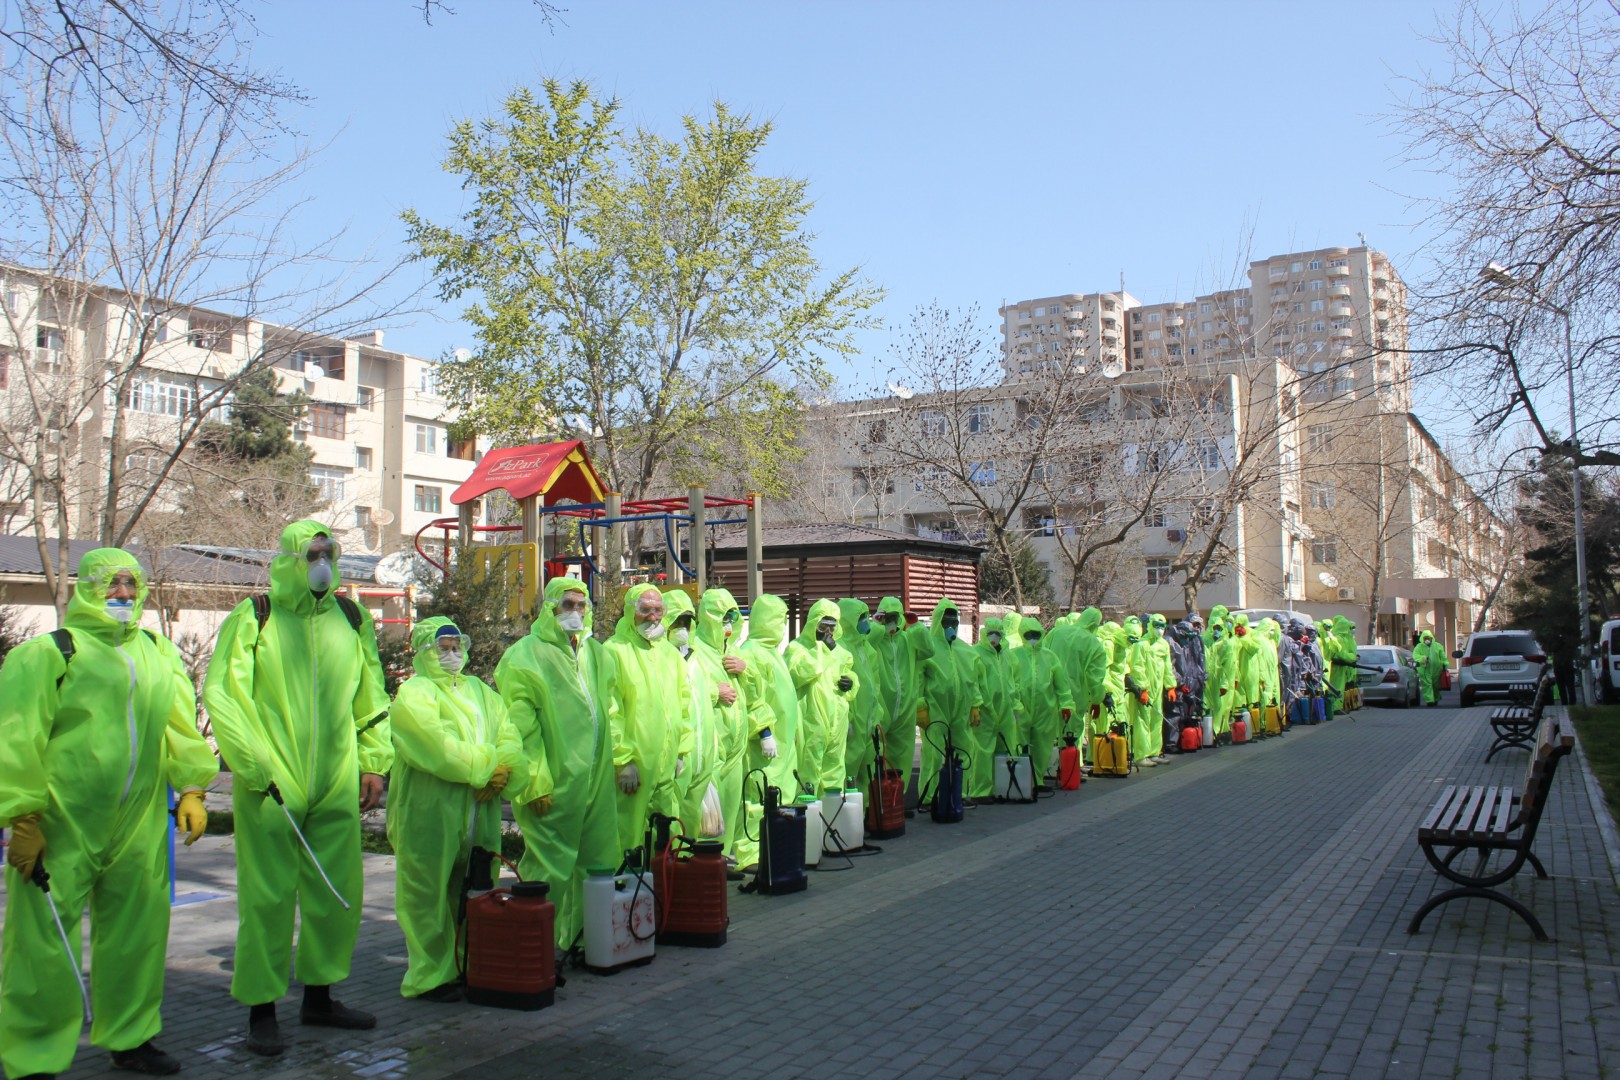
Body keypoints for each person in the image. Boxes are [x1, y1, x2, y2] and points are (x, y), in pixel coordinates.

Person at [0, 549, 216, 1079]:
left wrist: (191, 787)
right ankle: (32, 1057)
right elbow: (15, 737)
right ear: (87, 589)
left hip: (139, 823)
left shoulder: (156, 651)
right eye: (110, 585)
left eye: (130, 584)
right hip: (60, 823)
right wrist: (22, 815)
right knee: (42, 943)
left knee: (137, 934)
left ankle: (132, 1037)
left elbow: (179, 725)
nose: (122, 594)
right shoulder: (51, 654)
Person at [204, 521, 391, 1056]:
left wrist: (374, 764)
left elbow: (370, 694)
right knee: (267, 898)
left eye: (328, 552)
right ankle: (262, 1011)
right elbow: (225, 693)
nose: (322, 562)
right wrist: (256, 765)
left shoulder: (351, 618)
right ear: (289, 558)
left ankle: (320, 996)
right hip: (272, 784)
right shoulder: (255, 617)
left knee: (337, 895)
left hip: (337, 780)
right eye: (312, 553)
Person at [388, 618, 525, 1003]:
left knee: (474, 889)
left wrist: (505, 768)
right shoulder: (414, 694)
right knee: (426, 893)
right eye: (442, 647)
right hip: (428, 812)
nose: (451, 654)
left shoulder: (480, 691)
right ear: (422, 651)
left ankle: (469, 965)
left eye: (455, 646)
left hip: (477, 814)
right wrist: (486, 767)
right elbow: (434, 745)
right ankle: (431, 975)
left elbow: (508, 733)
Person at [495, 576, 619, 955]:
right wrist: (534, 780)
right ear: (549, 608)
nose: (576, 612)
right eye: (567, 605)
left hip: (595, 779)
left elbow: (608, 709)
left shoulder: (594, 653)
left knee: (597, 863)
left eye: (582, 606)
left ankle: (583, 941)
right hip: (556, 780)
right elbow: (520, 727)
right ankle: (531, 949)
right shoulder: (526, 655)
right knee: (548, 866)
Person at [603, 583, 690, 857]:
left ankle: (665, 891)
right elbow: (610, 710)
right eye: (644, 610)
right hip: (634, 768)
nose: (652, 617)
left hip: (665, 766)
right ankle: (626, 891)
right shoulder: (614, 651)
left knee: (666, 831)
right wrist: (623, 760)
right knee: (627, 832)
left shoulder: (668, 654)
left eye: (658, 610)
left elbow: (682, 703)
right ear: (630, 612)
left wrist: (681, 750)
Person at [732, 594, 801, 870]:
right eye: (779, 620)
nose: (782, 626)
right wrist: (764, 732)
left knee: (777, 795)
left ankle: (772, 850)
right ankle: (749, 853)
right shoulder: (750, 653)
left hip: (781, 743)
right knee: (757, 796)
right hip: (763, 744)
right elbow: (751, 699)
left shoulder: (772, 653)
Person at [689, 588, 750, 864]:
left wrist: (745, 668)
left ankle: (723, 859)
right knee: (707, 812)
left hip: (735, 747)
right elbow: (688, 688)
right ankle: (706, 862)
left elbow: (757, 689)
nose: (728, 625)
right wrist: (716, 692)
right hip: (713, 744)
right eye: (724, 617)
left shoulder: (732, 651)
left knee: (728, 804)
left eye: (732, 617)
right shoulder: (696, 651)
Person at [787, 599, 857, 798]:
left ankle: (832, 819)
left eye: (832, 626)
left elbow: (850, 674)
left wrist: (851, 683)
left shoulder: (842, 653)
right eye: (822, 626)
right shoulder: (797, 649)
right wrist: (822, 651)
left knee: (835, 770)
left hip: (837, 721)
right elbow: (796, 675)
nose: (827, 631)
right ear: (812, 624)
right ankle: (808, 822)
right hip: (811, 722)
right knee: (808, 770)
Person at [917, 599, 983, 806]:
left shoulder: (967, 651)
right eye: (946, 622)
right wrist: (920, 707)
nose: (950, 626)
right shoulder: (927, 649)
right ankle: (930, 797)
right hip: (936, 709)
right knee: (934, 754)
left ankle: (959, 794)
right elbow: (918, 679)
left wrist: (975, 704)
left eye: (953, 622)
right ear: (938, 622)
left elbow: (972, 682)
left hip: (961, 710)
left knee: (964, 749)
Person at [868, 596, 929, 794]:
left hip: (905, 708)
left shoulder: (908, 639)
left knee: (902, 755)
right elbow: (864, 644)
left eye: (895, 617)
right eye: (888, 617)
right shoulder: (876, 640)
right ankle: (873, 801)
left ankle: (896, 799)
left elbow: (929, 650)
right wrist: (876, 625)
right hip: (881, 707)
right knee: (873, 753)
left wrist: (916, 625)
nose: (892, 622)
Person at [1010, 621, 1074, 784]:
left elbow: (1061, 684)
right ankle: (1021, 781)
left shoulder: (1049, 656)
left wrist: (1066, 704)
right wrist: (1014, 704)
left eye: (1036, 635)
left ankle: (1037, 780)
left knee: (1042, 747)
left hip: (1045, 710)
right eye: (1028, 635)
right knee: (1018, 745)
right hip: (1020, 709)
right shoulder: (1014, 655)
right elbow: (1008, 682)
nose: (1033, 639)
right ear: (1022, 635)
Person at [836, 599, 881, 796]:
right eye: (860, 618)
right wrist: (847, 719)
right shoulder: (839, 648)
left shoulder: (866, 648)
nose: (865, 622)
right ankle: (846, 817)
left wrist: (877, 715)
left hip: (868, 721)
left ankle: (862, 815)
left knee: (866, 771)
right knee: (849, 771)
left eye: (866, 617)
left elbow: (874, 686)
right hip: (852, 722)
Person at [970, 618, 1018, 800]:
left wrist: (1015, 704)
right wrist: (977, 704)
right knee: (983, 751)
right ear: (984, 632)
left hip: (1005, 711)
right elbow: (974, 682)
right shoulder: (976, 653)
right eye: (991, 632)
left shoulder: (1005, 654)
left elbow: (1011, 681)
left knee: (1005, 750)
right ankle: (981, 791)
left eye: (998, 633)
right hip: (985, 711)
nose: (994, 637)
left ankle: (1003, 788)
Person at [1413, 630, 1445, 707]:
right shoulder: (1419, 647)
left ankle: (1436, 699)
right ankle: (1430, 701)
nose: (1427, 639)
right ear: (1422, 638)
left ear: (1431, 638)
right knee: (1427, 685)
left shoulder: (1438, 646)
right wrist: (1423, 658)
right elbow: (1415, 656)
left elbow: (1443, 656)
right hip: (1424, 669)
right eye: (1425, 638)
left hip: (1437, 669)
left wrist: (1445, 665)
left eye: (1428, 638)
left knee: (1436, 685)